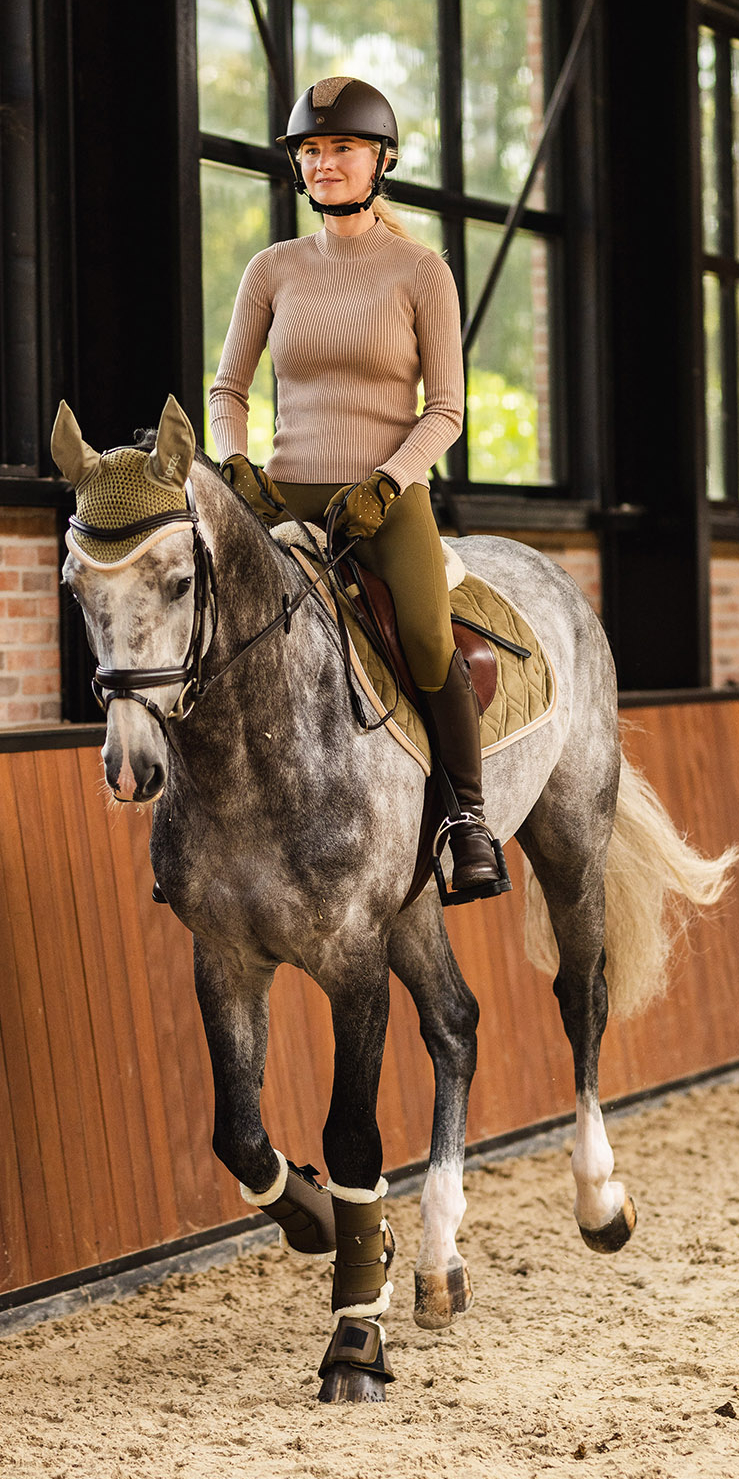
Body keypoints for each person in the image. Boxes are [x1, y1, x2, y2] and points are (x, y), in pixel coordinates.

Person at [208, 73, 506, 901]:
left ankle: (466, 819)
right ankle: (199, 823)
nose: (324, 162)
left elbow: (445, 410)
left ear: (381, 160)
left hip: (384, 495)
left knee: (423, 633)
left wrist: (388, 481)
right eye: (311, 150)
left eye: (341, 147)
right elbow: (226, 389)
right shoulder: (272, 269)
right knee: (205, 616)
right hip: (285, 490)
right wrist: (236, 464)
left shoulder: (422, 272)